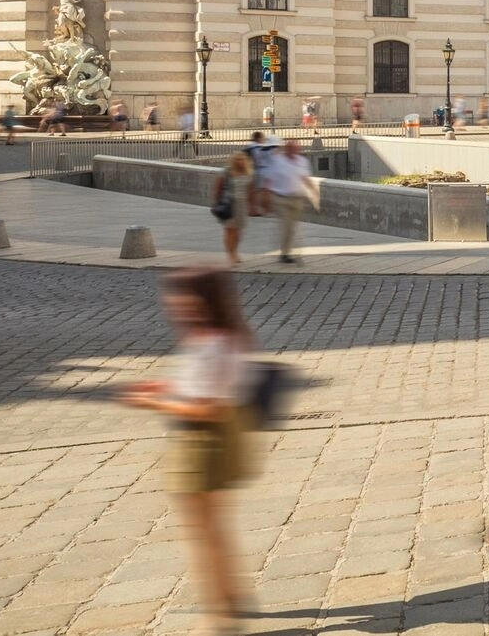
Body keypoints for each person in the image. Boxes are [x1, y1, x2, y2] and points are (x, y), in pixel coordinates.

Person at [119, 267, 254, 632]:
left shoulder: (211, 344)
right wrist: (164, 386)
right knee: (212, 528)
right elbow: (202, 388)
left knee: (204, 533)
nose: (173, 305)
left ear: (201, 300)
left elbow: (209, 407)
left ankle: (221, 612)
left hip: (202, 443)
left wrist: (156, 403)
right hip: (213, 439)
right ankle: (231, 596)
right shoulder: (222, 336)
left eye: (180, 298)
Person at [253, 137, 311, 264]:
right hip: (280, 198)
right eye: (292, 148)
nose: (295, 150)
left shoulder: (302, 161)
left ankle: (287, 250)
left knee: (292, 227)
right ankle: (285, 253)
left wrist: (313, 193)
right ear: (287, 149)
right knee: (287, 225)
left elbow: (305, 178)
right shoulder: (278, 161)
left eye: (296, 148)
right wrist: (265, 199)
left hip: (296, 199)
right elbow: (268, 180)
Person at [213, 153, 253, 266]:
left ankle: (235, 250)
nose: (241, 162)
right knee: (230, 230)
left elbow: (250, 190)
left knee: (238, 232)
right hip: (229, 204)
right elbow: (218, 187)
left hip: (242, 205)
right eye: (238, 160)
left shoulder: (248, 172)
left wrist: (252, 205)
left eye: (243, 160)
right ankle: (230, 254)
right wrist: (216, 202)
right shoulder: (227, 172)